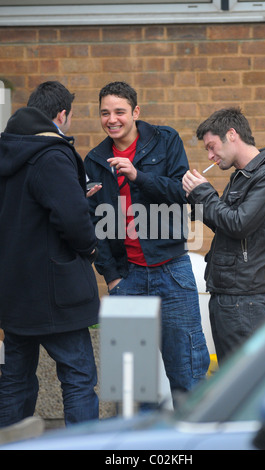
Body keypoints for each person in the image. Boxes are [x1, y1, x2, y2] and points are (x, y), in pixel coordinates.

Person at [84, 81, 210, 404]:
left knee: (187, 377)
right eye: (105, 113)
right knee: (132, 387)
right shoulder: (95, 160)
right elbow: (94, 222)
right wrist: (111, 276)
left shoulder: (164, 140)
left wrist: (138, 176)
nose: (112, 119)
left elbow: (182, 194)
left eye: (119, 112)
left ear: (135, 112)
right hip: (128, 277)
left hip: (172, 271)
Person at [0, 81, 100, 428]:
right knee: (78, 378)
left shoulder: (7, 151)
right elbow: (72, 219)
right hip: (57, 297)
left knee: (14, 381)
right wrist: (89, 248)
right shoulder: (52, 154)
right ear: (61, 115)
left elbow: (25, 212)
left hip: (14, 293)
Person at [182, 107, 265, 363]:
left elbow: (239, 223)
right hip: (226, 297)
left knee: (246, 390)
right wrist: (193, 201)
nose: (210, 156)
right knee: (231, 384)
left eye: (211, 146)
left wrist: (204, 193)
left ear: (231, 134)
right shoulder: (241, 177)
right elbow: (226, 227)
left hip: (243, 301)